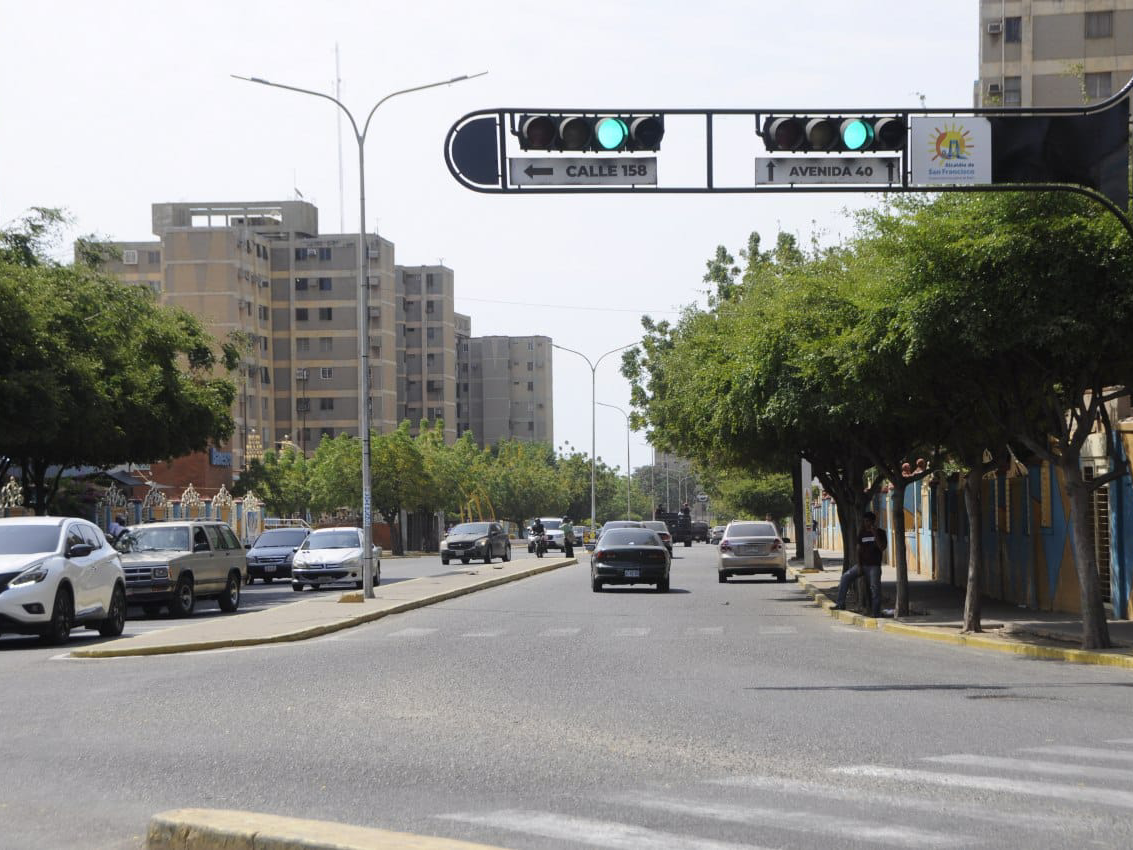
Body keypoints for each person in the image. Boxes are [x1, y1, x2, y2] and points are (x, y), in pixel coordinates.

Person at [834, 511, 887, 616]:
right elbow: (858, 549)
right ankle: (840, 604)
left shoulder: (881, 533)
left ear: (873, 521)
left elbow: (882, 547)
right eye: (865, 521)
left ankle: (876, 613)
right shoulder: (862, 533)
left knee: (875, 588)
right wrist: (859, 564)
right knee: (845, 577)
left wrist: (875, 533)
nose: (866, 523)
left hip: (874, 566)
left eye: (868, 521)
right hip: (862, 565)